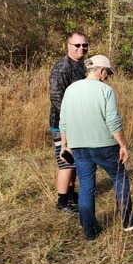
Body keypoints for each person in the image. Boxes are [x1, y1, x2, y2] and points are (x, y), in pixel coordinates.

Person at [59, 55, 133, 240]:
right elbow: (113, 122)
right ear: (101, 70)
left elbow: (64, 121)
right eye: (107, 72)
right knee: (119, 178)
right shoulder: (106, 90)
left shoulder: (70, 90)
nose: (107, 76)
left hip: (78, 147)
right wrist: (123, 145)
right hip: (105, 146)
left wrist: (64, 145)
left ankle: (90, 231)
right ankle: (129, 220)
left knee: (86, 187)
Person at [49, 31, 89, 214]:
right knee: (65, 161)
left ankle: (71, 195)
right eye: (77, 45)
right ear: (69, 46)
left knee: (74, 160)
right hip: (63, 123)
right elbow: (56, 97)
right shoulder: (62, 67)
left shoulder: (82, 66)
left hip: (79, 121)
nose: (82, 48)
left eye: (85, 45)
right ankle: (62, 201)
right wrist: (70, 120)